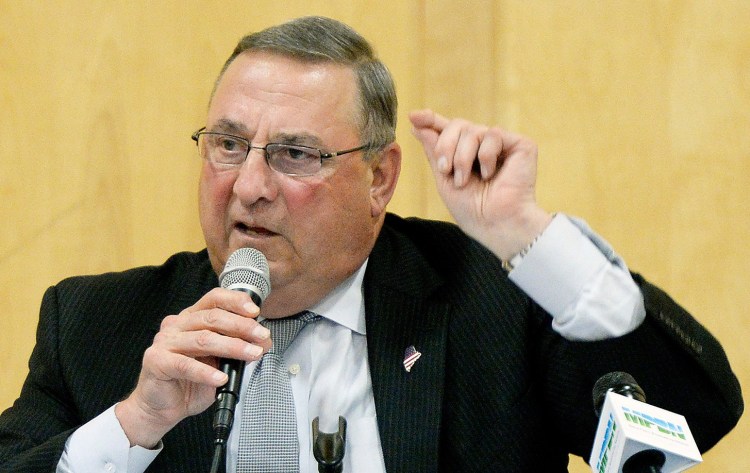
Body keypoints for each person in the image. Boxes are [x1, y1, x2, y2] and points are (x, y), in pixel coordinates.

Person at [0, 15, 742, 473]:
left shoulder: (489, 303)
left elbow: (691, 419)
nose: (249, 185)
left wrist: (527, 237)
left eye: (294, 154)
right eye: (228, 144)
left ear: (380, 177)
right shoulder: (97, 325)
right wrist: (137, 424)